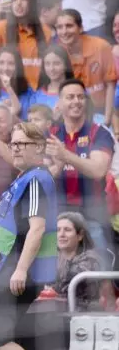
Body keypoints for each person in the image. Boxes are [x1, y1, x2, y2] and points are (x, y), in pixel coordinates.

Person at [0, 122, 67, 350]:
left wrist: (20, 270)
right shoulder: (26, 177)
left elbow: (37, 228)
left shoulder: (36, 179)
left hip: (15, 271)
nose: (15, 148)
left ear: (39, 148)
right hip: (4, 269)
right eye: (13, 143)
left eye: (22, 144)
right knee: (4, 339)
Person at [46, 78, 114, 253]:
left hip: (92, 216)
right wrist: (59, 166)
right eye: (70, 97)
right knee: (51, 274)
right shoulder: (49, 135)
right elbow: (41, 176)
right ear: (59, 104)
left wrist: (65, 155)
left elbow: (98, 170)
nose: (76, 101)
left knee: (101, 272)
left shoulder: (99, 132)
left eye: (80, 97)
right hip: (57, 216)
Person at [55, 9, 117, 126]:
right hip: (75, 113)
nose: (64, 31)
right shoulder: (58, 52)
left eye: (69, 26)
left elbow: (110, 85)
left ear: (81, 28)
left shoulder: (101, 46)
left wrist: (107, 120)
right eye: (59, 27)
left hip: (102, 111)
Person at [52, 211, 104, 311]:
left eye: (67, 230)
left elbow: (64, 288)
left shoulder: (90, 259)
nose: (61, 234)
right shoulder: (51, 259)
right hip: (54, 315)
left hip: (83, 316)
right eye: (58, 230)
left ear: (80, 235)